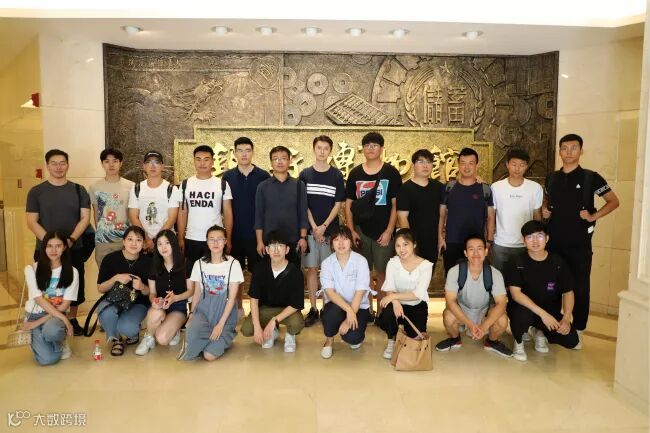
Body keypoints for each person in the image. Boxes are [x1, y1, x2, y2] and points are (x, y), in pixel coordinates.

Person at [542, 133, 619, 335]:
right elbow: (547, 200)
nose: (568, 152)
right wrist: (545, 209)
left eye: (573, 148)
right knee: (552, 285)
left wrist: (594, 216)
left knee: (580, 287)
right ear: (559, 152)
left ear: (581, 151)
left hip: (579, 244)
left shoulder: (590, 177)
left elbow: (613, 201)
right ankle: (552, 325)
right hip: (553, 242)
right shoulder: (552, 177)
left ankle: (579, 329)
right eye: (564, 148)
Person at [26, 149, 90, 336]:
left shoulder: (79, 190)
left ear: (68, 165)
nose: (58, 167)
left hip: (73, 247)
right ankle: (47, 317)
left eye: (62, 163)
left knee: (75, 283)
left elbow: (85, 218)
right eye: (54, 163)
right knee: (46, 285)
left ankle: (72, 319)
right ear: (47, 165)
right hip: (45, 249)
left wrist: (70, 240)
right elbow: (31, 221)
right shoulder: (36, 192)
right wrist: (52, 244)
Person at [345, 132, 402, 318]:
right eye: (367, 145)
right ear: (362, 149)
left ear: (382, 148)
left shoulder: (391, 173)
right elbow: (348, 205)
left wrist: (389, 231)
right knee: (365, 273)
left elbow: (395, 205)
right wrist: (352, 231)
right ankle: (367, 310)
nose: (371, 148)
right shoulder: (355, 173)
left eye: (375, 145)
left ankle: (382, 311)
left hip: (383, 232)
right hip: (361, 231)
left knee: (382, 272)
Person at [506, 220, 581, 361]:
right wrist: (543, 315)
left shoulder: (558, 263)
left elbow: (568, 292)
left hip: (549, 310)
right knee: (522, 315)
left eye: (539, 236)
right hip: (524, 310)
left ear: (547, 238)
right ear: (523, 240)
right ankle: (518, 340)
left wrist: (566, 318)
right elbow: (516, 294)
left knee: (571, 340)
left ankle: (539, 331)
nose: (535, 241)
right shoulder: (517, 261)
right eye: (530, 237)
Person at [435, 234, 512, 358]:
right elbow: (450, 301)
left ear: (486, 251)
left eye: (479, 249)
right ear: (465, 253)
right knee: (448, 315)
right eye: (471, 249)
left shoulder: (495, 274)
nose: (475, 253)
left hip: (484, 312)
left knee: (502, 319)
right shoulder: (455, 271)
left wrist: (484, 326)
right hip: (463, 311)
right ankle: (455, 338)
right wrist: (470, 324)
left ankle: (492, 341)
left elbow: (501, 303)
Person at [299, 135, 346, 327]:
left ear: (330, 151)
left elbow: (338, 204)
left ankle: (328, 306)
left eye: (326, 148)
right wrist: (314, 227)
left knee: (328, 270)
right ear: (313, 149)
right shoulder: (305, 174)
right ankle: (313, 308)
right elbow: (304, 204)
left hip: (329, 231)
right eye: (319, 148)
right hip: (311, 231)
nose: (322, 151)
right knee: (311, 269)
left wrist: (324, 226)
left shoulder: (336, 175)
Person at [180, 225, 244, 361]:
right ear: (207, 242)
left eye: (219, 239)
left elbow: (232, 298)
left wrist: (220, 324)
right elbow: (197, 293)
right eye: (211, 239)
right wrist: (191, 314)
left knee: (208, 355)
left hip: (224, 311)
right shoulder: (199, 263)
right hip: (204, 311)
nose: (215, 243)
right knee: (192, 344)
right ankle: (207, 338)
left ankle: (226, 336)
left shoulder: (233, 264)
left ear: (225, 241)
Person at [222, 137, 270, 316]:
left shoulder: (263, 176)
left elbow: (267, 207)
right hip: (235, 234)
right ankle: (238, 307)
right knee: (236, 273)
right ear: (234, 153)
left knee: (258, 273)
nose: (244, 154)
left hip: (258, 235)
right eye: (240, 151)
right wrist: (227, 237)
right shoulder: (227, 177)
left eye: (247, 150)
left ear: (253, 152)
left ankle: (256, 309)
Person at [241, 231, 305, 353]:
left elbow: (296, 304)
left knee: (297, 323)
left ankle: (290, 335)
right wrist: (258, 327)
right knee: (247, 329)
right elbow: (254, 299)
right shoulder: (259, 268)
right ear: (267, 249)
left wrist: (274, 320)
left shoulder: (295, 272)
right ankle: (272, 332)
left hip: (286, 311)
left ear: (287, 250)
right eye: (272, 246)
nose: (276, 250)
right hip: (265, 309)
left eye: (280, 246)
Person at [22, 231, 78, 365]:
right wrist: (65, 320)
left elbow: (65, 305)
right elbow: (38, 299)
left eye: (58, 246)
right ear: (44, 247)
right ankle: (41, 339)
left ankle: (58, 340)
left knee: (51, 331)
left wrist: (37, 324)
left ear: (64, 247)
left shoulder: (72, 271)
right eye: (49, 246)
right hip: (34, 315)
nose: (53, 250)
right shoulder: (31, 269)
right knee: (47, 360)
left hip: (56, 315)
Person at [176, 144, 233, 277]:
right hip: (192, 238)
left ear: (212, 161)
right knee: (192, 276)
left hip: (216, 239)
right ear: (194, 161)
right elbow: (182, 212)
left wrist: (228, 239)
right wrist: (180, 238)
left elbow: (228, 213)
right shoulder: (186, 184)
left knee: (215, 275)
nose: (202, 163)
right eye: (198, 159)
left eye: (206, 159)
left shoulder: (222, 184)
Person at [135, 230, 194, 356]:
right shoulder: (154, 264)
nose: (163, 247)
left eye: (167, 243)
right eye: (160, 244)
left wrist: (175, 298)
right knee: (154, 312)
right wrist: (155, 301)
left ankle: (175, 329)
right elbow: (152, 293)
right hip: (161, 305)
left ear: (174, 244)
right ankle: (149, 338)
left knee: (162, 339)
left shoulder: (185, 263)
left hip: (178, 306)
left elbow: (191, 291)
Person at [96, 226, 152, 356]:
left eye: (138, 240)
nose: (134, 243)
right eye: (130, 239)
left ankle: (131, 331)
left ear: (143, 244)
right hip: (113, 300)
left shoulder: (149, 262)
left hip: (138, 303)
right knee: (104, 311)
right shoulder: (110, 259)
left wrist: (142, 287)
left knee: (128, 328)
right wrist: (115, 278)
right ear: (123, 241)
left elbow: (151, 293)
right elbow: (100, 288)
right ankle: (117, 340)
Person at [438, 147, 495, 274]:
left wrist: (489, 241)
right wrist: (440, 237)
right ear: (458, 164)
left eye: (471, 163)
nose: (466, 167)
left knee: (475, 278)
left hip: (476, 243)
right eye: (463, 163)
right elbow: (441, 214)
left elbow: (491, 217)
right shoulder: (449, 187)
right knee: (452, 278)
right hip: (452, 242)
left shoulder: (485, 189)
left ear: (476, 165)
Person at [378, 229, 433, 359]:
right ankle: (391, 340)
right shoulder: (393, 263)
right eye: (398, 246)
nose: (401, 249)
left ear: (414, 244)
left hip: (416, 306)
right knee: (388, 313)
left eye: (405, 244)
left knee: (416, 340)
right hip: (397, 305)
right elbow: (389, 287)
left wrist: (394, 296)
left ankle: (403, 333)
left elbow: (418, 294)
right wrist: (395, 302)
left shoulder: (425, 266)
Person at [319, 226, 371, 359]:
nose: (341, 243)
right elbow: (330, 293)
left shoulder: (361, 261)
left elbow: (359, 293)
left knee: (353, 338)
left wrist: (349, 318)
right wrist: (348, 311)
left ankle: (353, 335)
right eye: (336, 240)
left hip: (358, 307)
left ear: (351, 242)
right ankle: (329, 340)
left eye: (345, 239)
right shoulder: (326, 263)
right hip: (336, 306)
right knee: (331, 314)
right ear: (332, 243)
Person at [255, 145, 309, 267]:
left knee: (293, 274)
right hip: (269, 243)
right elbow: (259, 216)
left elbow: (303, 213)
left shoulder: (298, 185)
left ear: (289, 161)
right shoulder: (262, 187)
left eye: (283, 158)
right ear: (271, 163)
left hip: (294, 242)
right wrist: (259, 241)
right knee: (270, 275)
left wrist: (303, 238)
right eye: (276, 159)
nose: (279, 162)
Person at [490, 148, 543, 272]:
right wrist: (490, 240)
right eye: (514, 164)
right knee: (498, 280)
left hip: (526, 244)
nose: (517, 169)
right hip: (501, 244)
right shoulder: (496, 187)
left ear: (526, 166)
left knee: (523, 280)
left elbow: (537, 215)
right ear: (507, 165)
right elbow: (491, 216)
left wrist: (537, 241)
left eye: (521, 165)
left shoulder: (535, 188)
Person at [397, 149, 444, 265]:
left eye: (428, 162)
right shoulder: (405, 189)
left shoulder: (439, 187)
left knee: (428, 273)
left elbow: (442, 214)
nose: (425, 165)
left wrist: (440, 237)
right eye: (421, 162)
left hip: (433, 242)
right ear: (413, 165)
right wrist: (409, 244)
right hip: (414, 243)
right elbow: (402, 217)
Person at [128, 150, 181, 253]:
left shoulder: (171, 189)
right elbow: (133, 216)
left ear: (162, 166)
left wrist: (157, 241)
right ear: (144, 166)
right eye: (149, 162)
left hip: (166, 242)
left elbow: (172, 218)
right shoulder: (136, 188)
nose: (152, 166)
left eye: (156, 162)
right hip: (142, 242)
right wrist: (146, 238)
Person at [89, 148, 134, 267]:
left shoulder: (131, 186)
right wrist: (102, 232)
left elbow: (133, 214)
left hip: (125, 240)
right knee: (105, 273)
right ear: (102, 164)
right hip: (103, 240)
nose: (111, 165)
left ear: (121, 163)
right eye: (107, 161)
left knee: (126, 273)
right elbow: (96, 213)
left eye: (115, 161)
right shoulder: (94, 187)